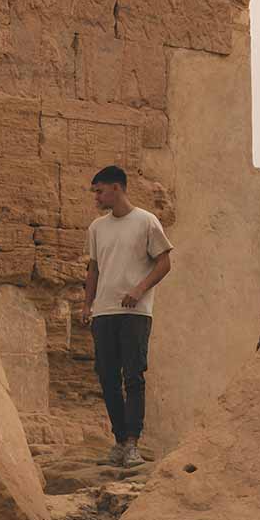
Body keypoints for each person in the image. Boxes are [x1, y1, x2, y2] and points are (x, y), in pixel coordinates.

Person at [82, 165, 173, 468]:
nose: (96, 197)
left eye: (100, 191)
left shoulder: (146, 221)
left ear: (117, 188)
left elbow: (164, 262)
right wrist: (87, 305)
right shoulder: (97, 227)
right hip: (104, 312)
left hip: (135, 313)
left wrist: (139, 289)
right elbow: (93, 269)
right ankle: (120, 442)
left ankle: (133, 443)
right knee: (107, 378)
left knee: (132, 377)